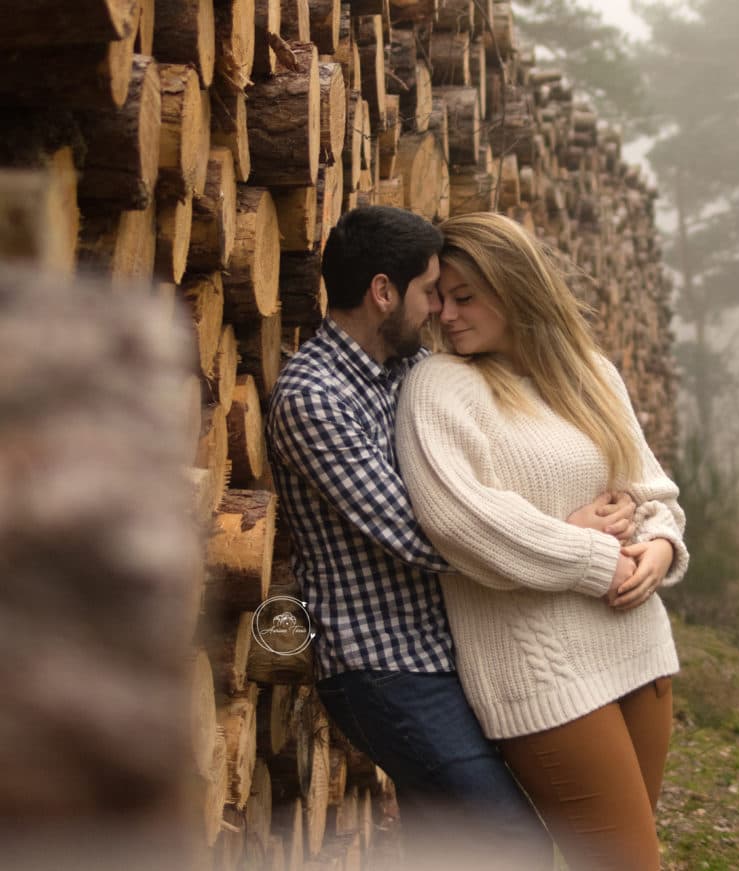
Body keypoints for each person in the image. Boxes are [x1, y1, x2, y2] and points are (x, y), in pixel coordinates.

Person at [267, 206, 636, 865]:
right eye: (429, 291)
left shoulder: (406, 372)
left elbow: (479, 487)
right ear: (383, 293)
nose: (440, 309)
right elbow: (420, 531)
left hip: (449, 652)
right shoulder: (314, 393)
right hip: (383, 665)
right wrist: (562, 531)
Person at [394, 211, 690, 871]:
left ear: (519, 289)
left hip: (639, 646)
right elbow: (464, 522)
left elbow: (649, 489)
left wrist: (661, 548)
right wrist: (591, 554)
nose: (446, 314)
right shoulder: (441, 386)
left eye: (465, 296)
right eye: (440, 296)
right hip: (546, 673)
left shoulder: (592, 374)